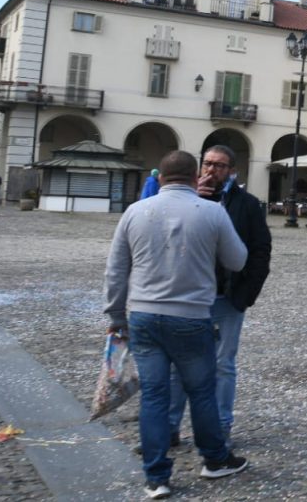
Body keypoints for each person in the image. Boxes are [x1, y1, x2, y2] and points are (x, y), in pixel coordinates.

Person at [103, 150, 249, 499]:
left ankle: (156, 477)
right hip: (190, 315)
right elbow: (238, 260)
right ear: (194, 174)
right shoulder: (212, 212)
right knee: (200, 392)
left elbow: (115, 271)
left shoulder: (135, 212)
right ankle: (214, 460)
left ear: (161, 177)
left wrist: (115, 317)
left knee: (154, 394)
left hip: (144, 316)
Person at [168, 145, 271, 451]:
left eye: (220, 166)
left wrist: (246, 295)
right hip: (184, 296)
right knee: (178, 365)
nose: (212, 170)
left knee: (223, 364)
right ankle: (171, 428)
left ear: (231, 171)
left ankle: (222, 426)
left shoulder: (247, 205)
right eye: (208, 164)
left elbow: (260, 250)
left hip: (226, 297)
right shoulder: (182, 199)